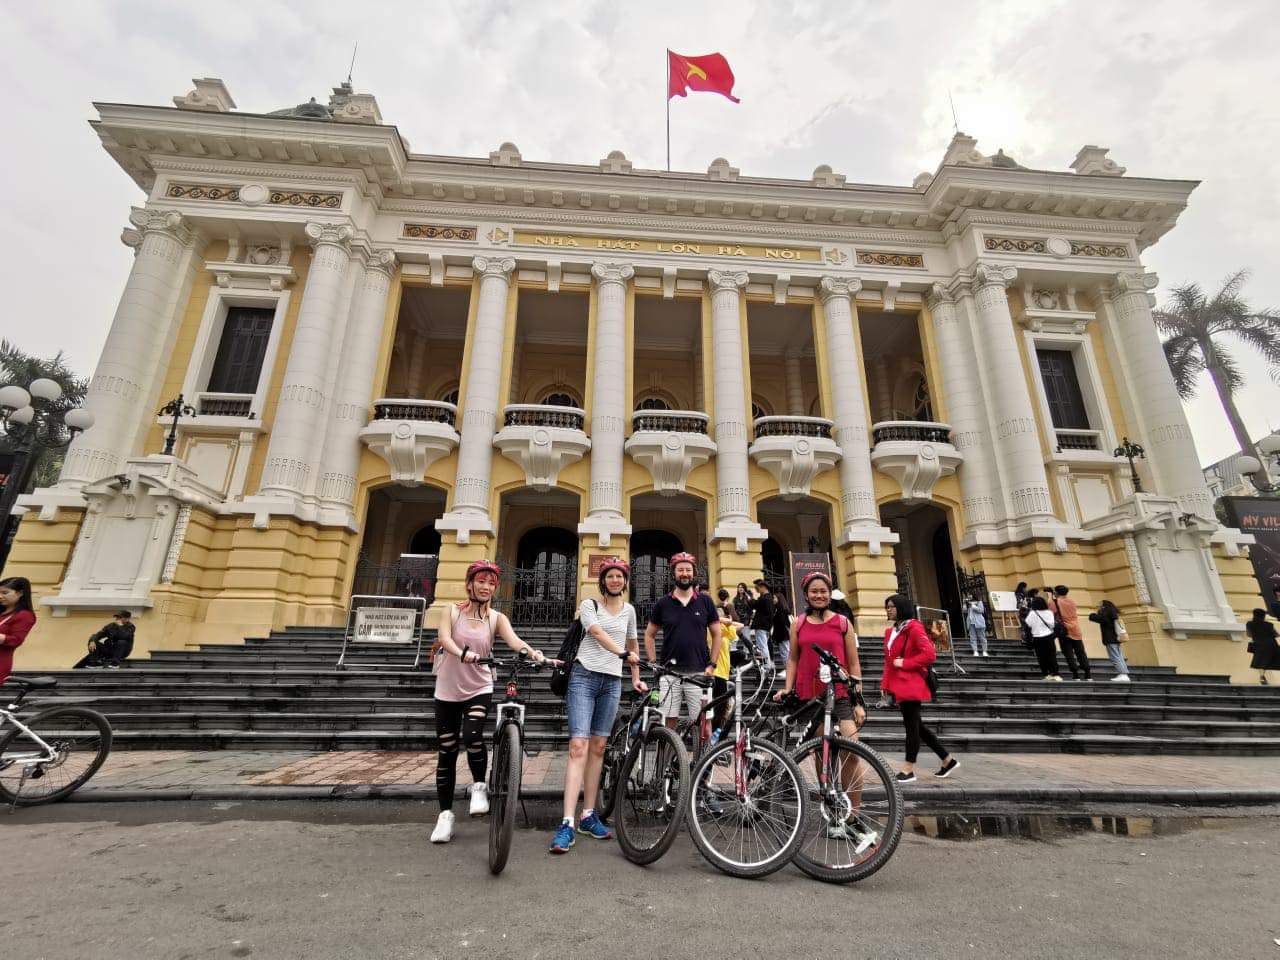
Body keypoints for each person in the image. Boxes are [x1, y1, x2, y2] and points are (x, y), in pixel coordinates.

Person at [430, 560, 545, 845]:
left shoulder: (496, 618)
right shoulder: (451, 611)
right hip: (447, 689)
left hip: (479, 684)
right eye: (481, 581)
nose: (485, 587)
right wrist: (461, 653)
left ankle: (479, 786)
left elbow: (514, 641)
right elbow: (444, 638)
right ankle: (445, 815)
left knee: (472, 735)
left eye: (491, 583)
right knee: (446, 751)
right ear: (470, 584)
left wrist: (534, 653)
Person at [776, 571, 874, 848]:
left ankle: (853, 816)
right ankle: (832, 813)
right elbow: (793, 658)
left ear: (829, 594)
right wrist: (788, 687)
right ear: (806, 594)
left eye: (823, 591)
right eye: (814, 591)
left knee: (852, 752)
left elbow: (853, 665)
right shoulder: (799, 623)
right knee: (824, 754)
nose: (819, 595)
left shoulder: (843, 623)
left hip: (840, 695)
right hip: (811, 697)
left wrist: (858, 699)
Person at [551, 559, 640, 854]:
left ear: (625, 581)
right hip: (584, 677)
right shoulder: (590, 605)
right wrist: (622, 653)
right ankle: (567, 822)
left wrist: (636, 677)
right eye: (610, 576)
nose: (615, 580)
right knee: (579, 745)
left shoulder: (629, 611)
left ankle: (589, 815)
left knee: (599, 747)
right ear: (603, 581)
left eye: (619, 576)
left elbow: (634, 644)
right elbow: (597, 633)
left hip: (612, 682)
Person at [643, 553, 721, 741]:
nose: (684, 573)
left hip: (699, 673)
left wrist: (712, 664)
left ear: (694, 573)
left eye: (688, 570)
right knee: (668, 724)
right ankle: (668, 765)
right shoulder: (663, 604)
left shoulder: (705, 601)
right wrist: (653, 661)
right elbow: (649, 634)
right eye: (680, 570)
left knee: (704, 724)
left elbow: (717, 634)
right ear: (673, 573)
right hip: (669, 673)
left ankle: (703, 768)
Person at [881, 593, 958, 783]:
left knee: (911, 727)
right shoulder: (892, 631)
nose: (888, 609)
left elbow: (929, 655)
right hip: (899, 684)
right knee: (918, 727)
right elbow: (889, 661)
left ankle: (908, 769)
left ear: (902, 607)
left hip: (912, 685)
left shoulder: (914, 628)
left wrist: (905, 663)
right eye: (887, 606)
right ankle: (947, 760)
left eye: (891, 606)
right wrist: (885, 684)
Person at [0, 576, 37, 686]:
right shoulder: (2, 613)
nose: (0, 596)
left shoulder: (24, 615)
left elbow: (16, 640)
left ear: (20, 593)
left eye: (5, 593)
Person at [1050, 585, 1091, 681]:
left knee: (1068, 653)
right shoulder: (1072, 602)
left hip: (1064, 630)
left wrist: (1050, 597)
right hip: (1076, 629)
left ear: (1056, 593)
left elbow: (1051, 613)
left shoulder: (1055, 602)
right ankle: (1088, 674)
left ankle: (1076, 674)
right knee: (1081, 652)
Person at [1089, 599, 1130, 682]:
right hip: (1116, 639)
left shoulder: (1106, 615)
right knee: (1119, 656)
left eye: (1101, 605)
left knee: (1115, 657)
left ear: (1105, 607)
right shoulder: (1113, 615)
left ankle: (1123, 674)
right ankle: (1124, 673)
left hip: (1110, 639)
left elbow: (1095, 617)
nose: (1099, 607)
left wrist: (1093, 613)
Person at [1025, 596, 1063, 681]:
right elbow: (1052, 625)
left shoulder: (1032, 613)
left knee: (1041, 657)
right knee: (1052, 655)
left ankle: (1046, 674)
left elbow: (1028, 625)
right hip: (1049, 637)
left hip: (1037, 638)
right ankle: (1055, 673)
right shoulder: (1049, 613)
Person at [1245, 608, 1280, 686]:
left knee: (1261, 661)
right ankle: (1262, 677)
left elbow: (1249, 634)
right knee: (1271, 660)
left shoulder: (1249, 624)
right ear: (1263, 616)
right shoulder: (1269, 624)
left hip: (1258, 644)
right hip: (1271, 644)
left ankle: (1262, 676)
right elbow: (1276, 634)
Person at [748, 579, 776, 664]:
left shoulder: (765, 598)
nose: (757, 589)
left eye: (758, 587)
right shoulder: (768, 598)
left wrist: (750, 598)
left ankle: (766, 666)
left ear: (763, 587)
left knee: (762, 647)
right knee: (763, 646)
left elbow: (755, 604)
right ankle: (767, 665)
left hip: (762, 626)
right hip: (765, 627)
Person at [771, 590, 793, 666]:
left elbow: (783, 623)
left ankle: (788, 669)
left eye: (774, 598)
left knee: (785, 652)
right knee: (785, 651)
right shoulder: (781, 608)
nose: (773, 600)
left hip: (783, 634)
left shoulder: (780, 609)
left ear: (779, 599)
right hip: (784, 634)